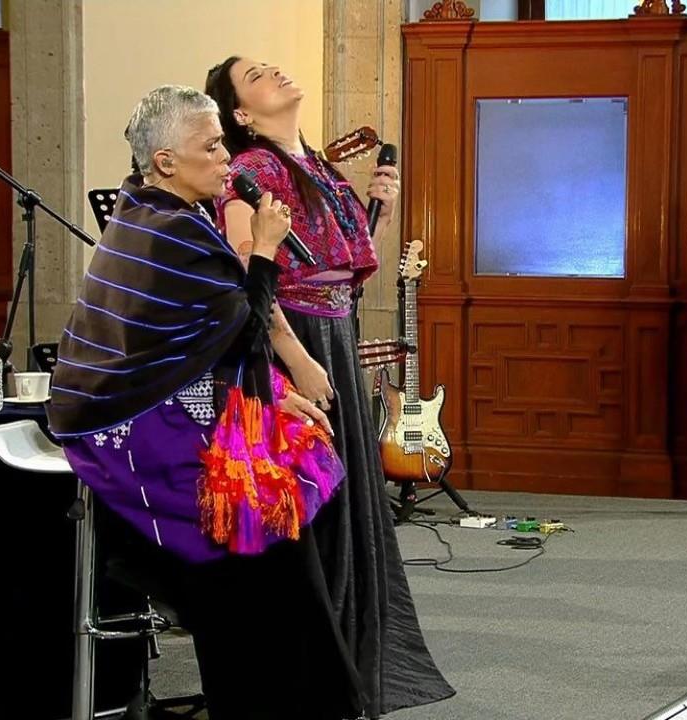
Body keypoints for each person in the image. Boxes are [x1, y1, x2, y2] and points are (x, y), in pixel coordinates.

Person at [48, 84, 360, 718]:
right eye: (212, 145)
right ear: (165, 161)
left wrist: (271, 396)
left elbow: (214, 341)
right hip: (124, 423)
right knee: (258, 517)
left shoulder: (166, 214)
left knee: (297, 464)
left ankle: (302, 686)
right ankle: (268, 689)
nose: (227, 158)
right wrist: (267, 249)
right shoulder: (163, 228)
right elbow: (245, 324)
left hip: (167, 399)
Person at [207, 57, 454, 717]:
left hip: (334, 337)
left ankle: (344, 655)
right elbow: (247, 267)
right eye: (257, 75)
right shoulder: (252, 170)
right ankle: (312, 669)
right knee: (314, 505)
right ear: (241, 115)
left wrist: (376, 207)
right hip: (301, 344)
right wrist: (293, 356)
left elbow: (337, 267)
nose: (278, 72)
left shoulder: (313, 165)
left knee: (345, 501)